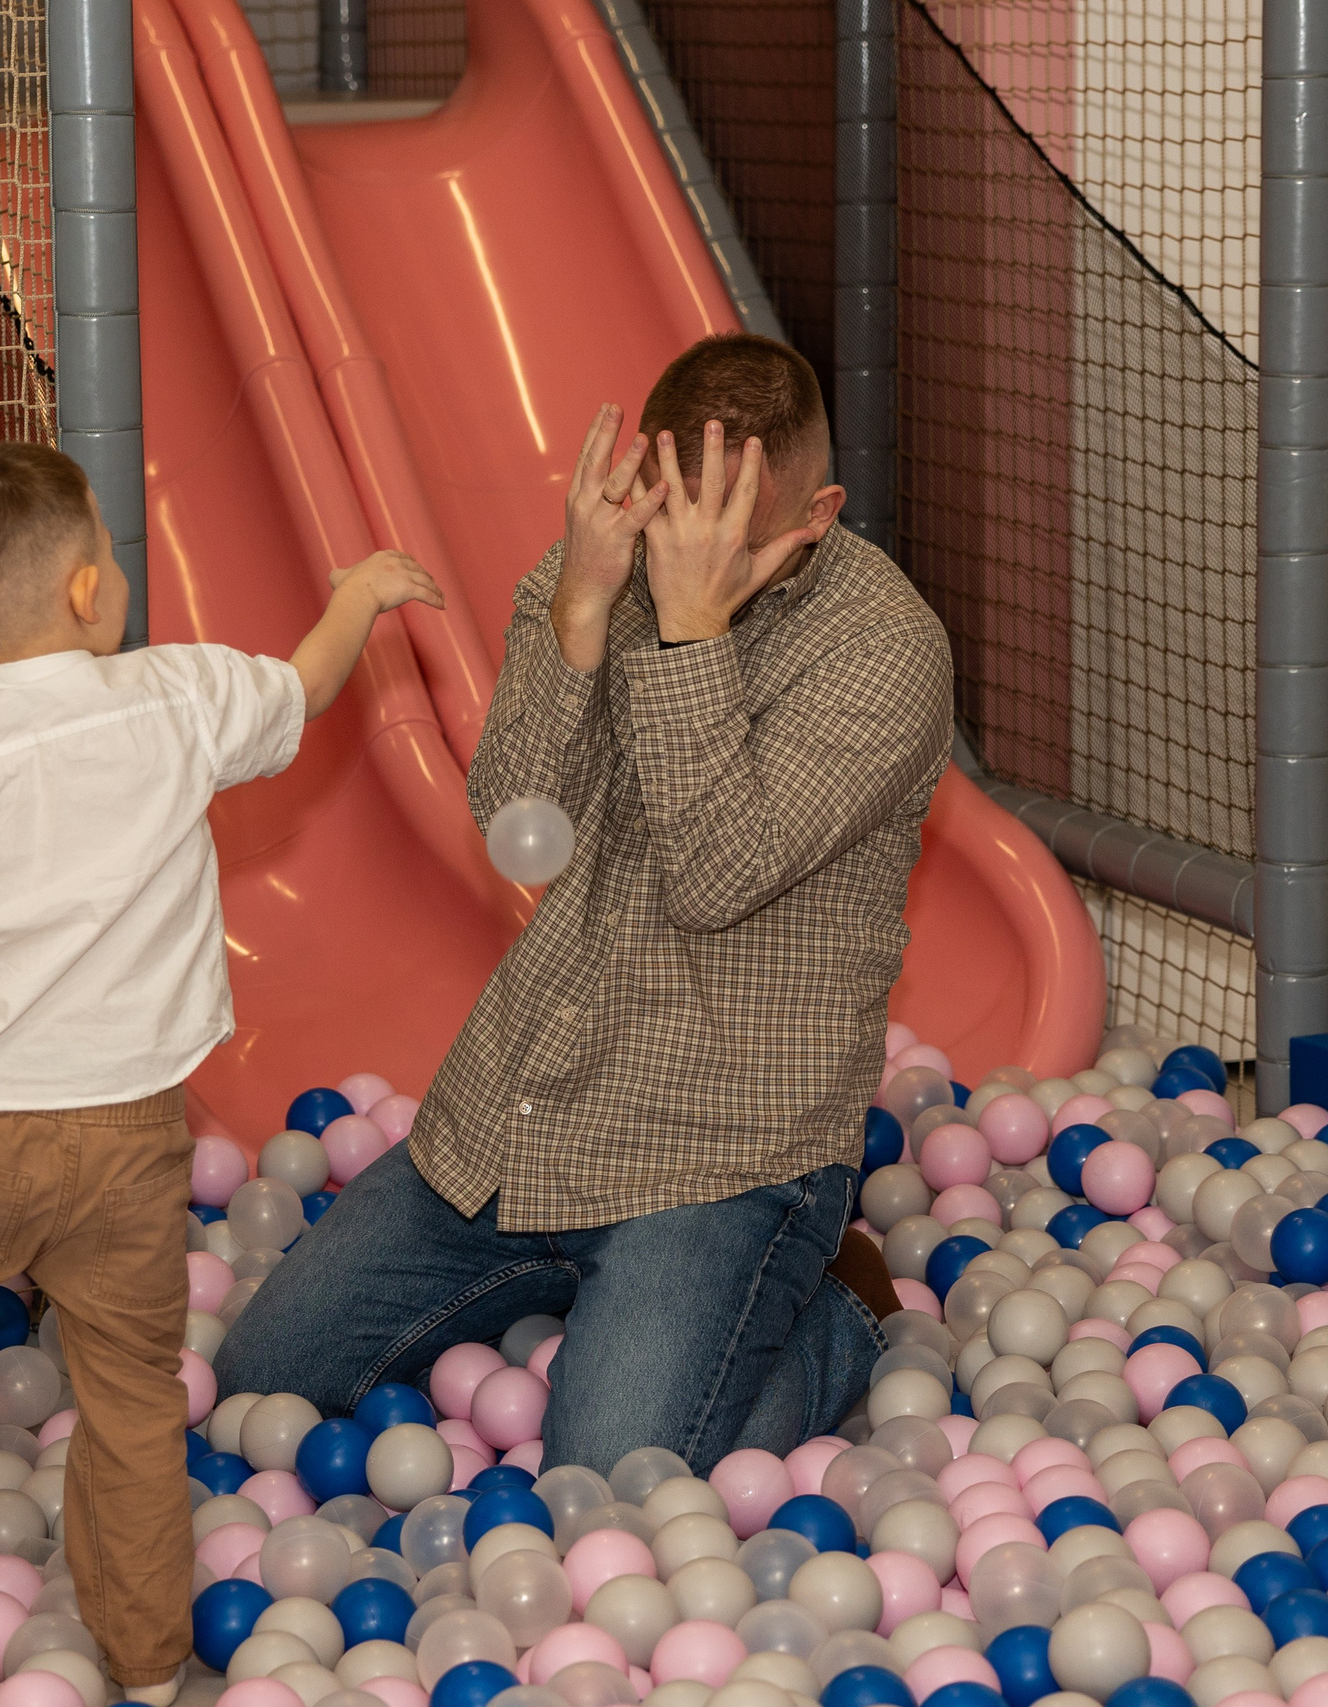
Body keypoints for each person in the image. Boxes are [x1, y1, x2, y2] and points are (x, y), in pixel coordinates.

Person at [0, 441, 444, 1703]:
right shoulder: (172, 698)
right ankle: (145, 1673)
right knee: (131, 1401)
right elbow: (299, 692)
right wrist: (356, 592)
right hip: (131, 1135)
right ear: (89, 592)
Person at [214, 333, 952, 1476]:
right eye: (668, 527)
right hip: (526, 1111)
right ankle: (588, 1290)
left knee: (612, 1476)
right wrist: (577, 609)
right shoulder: (602, 565)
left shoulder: (886, 652)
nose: (685, 562)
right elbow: (518, 819)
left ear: (817, 516)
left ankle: (832, 1313)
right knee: (260, 1385)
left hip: (719, 1148)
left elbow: (717, 875)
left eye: (727, 544)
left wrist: (691, 632)